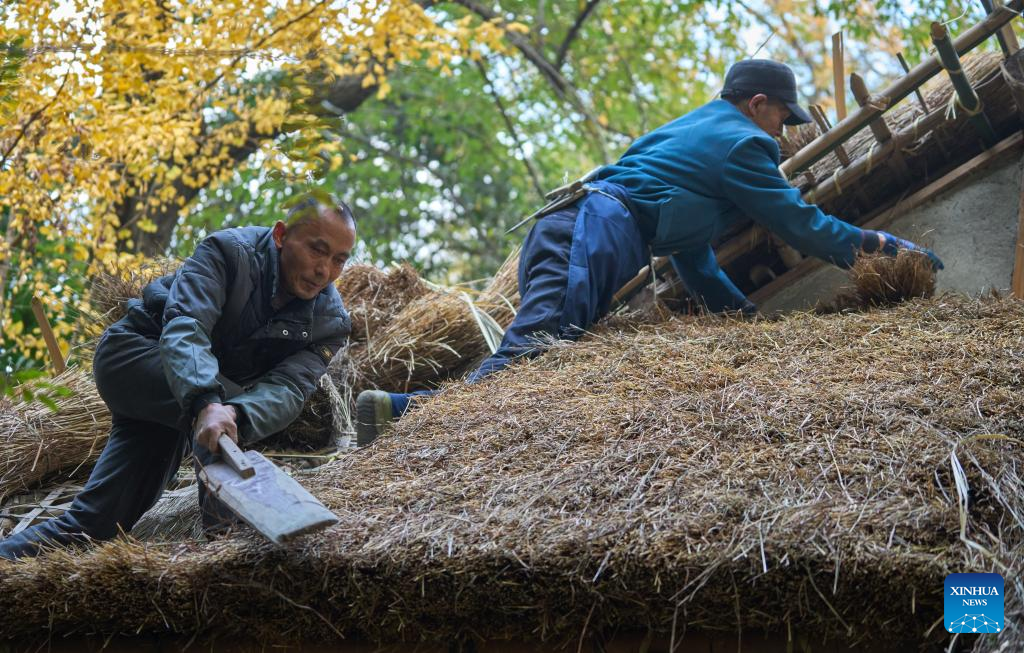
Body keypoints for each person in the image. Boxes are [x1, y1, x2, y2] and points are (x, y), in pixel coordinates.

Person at [354, 59, 943, 445]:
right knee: (532, 351)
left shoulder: (688, 134)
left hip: (577, 228)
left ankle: (414, 420)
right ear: (757, 103)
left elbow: (691, 256)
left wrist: (742, 319)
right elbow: (801, 224)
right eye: (781, 118)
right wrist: (885, 247)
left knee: (547, 351)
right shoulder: (744, 144)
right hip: (591, 230)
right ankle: (400, 413)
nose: (782, 132)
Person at [0, 198, 356, 560]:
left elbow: (289, 389)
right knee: (220, 421)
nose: (324, 270)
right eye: (317, 250)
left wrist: (237, 414)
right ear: (281, 235)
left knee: (95, 524)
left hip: (188, 407)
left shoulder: (330, 324)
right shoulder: (228, 252)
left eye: (339, 260)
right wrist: (207, 401)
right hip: (136, 356)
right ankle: (226, 548)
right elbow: (187, 326)